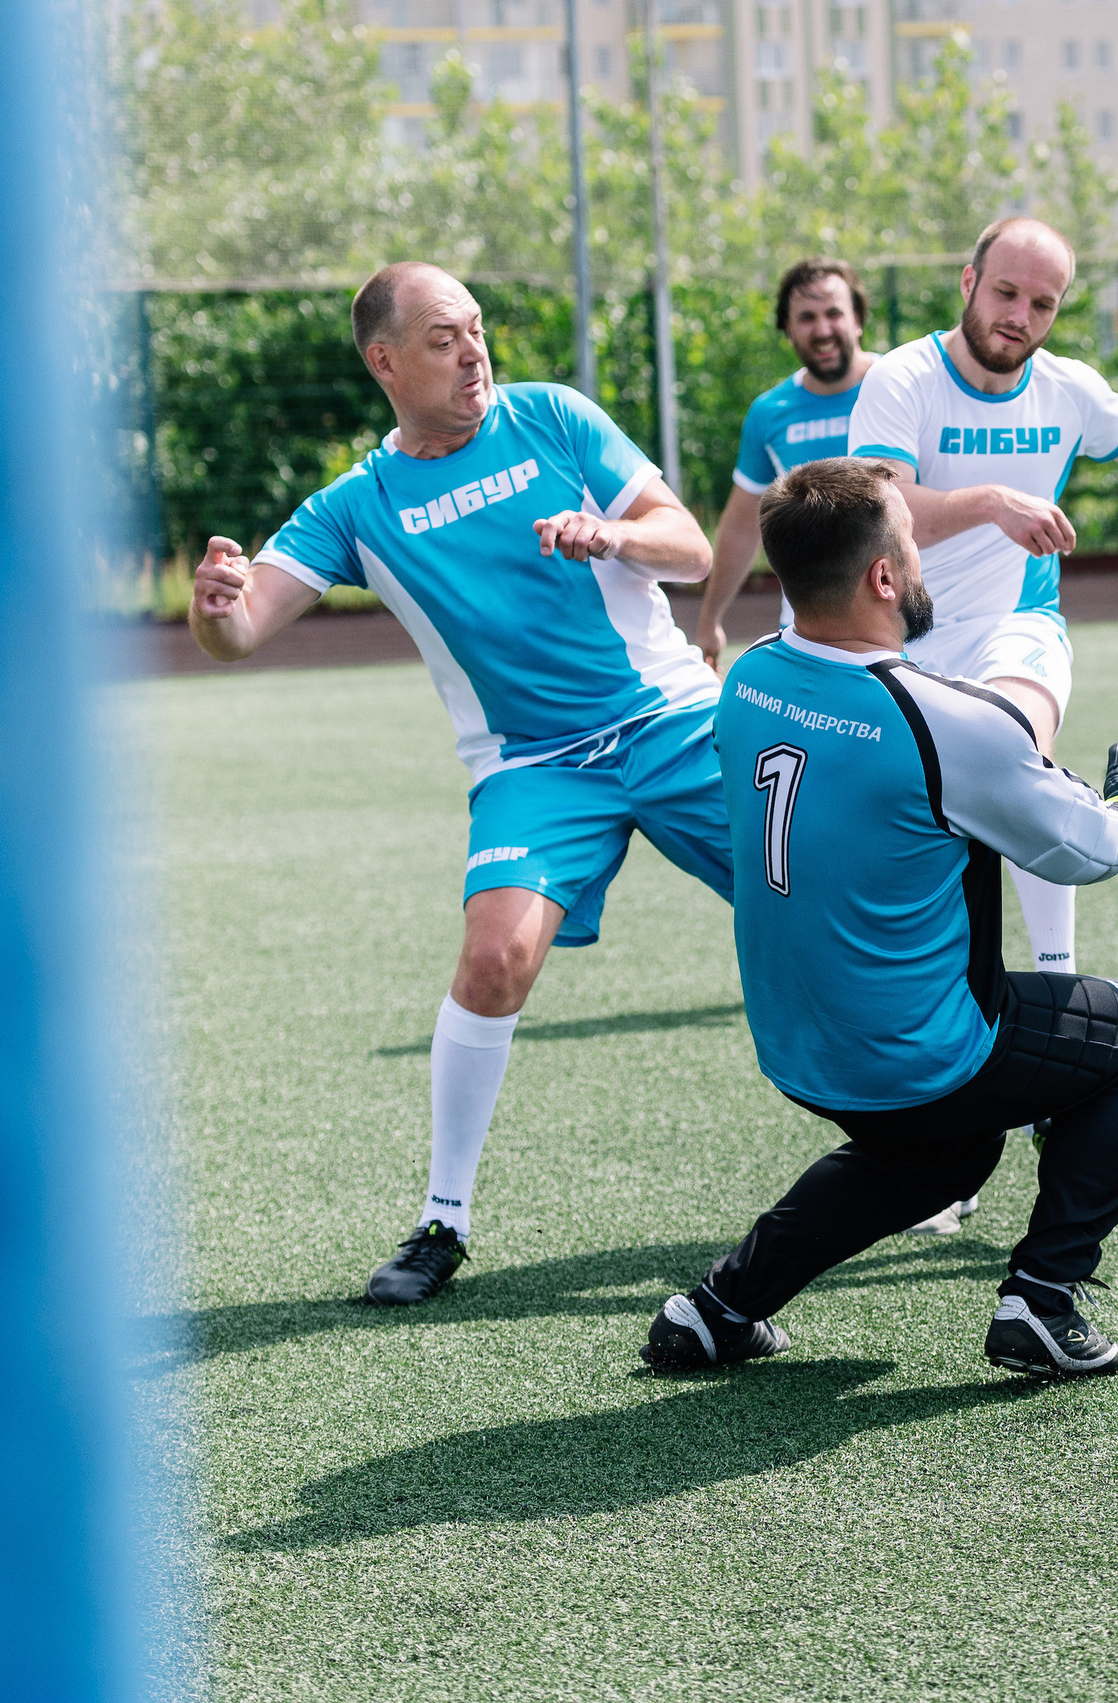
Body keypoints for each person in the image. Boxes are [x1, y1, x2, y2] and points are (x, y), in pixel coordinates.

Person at [188, 262, 724, 1303]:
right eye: (444, 338)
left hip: (670, 719)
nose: (473, 352)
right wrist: (216, 606)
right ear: (385, 361)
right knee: (492, 958)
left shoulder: (554, 417)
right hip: (533, 765)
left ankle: (936, 1124)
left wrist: (611, 533)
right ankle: (444, 1220)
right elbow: (242, 629)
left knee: (811, 906)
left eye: (476, 329)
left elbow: (691, 547)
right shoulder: (357, 505)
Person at [643, 457, 1118, 1379]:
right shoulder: (938, 719)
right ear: (882, 576)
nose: (923, 563)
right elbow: (1088, 848)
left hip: (797, 1046)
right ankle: (1043, 1297)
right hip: (918, 1053)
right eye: (913, 545)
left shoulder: (749, 679)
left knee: (943, 1156)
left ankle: (716, 1310)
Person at [844, 213, 1118, 1232]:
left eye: (1042, 303)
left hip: (1018, 629)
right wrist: (993, 500)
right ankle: (948, 1127)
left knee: (1014, 756)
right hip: (912, 642)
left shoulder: (1066, 390)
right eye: (1006, 293)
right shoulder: (904, 379)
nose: (1021, 317)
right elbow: (880, 503)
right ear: (969, 281)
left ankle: (1057, 991)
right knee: (932, 844)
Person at [692, 257, 878, 673]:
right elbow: (742, 527)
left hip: (903, 628)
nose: (823, 329)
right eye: (806, 318)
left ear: (858, 319)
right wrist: (709, 619)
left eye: (834, 313)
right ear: (788, 330)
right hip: (807, 634)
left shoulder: (902, 385)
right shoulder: (769, 413)